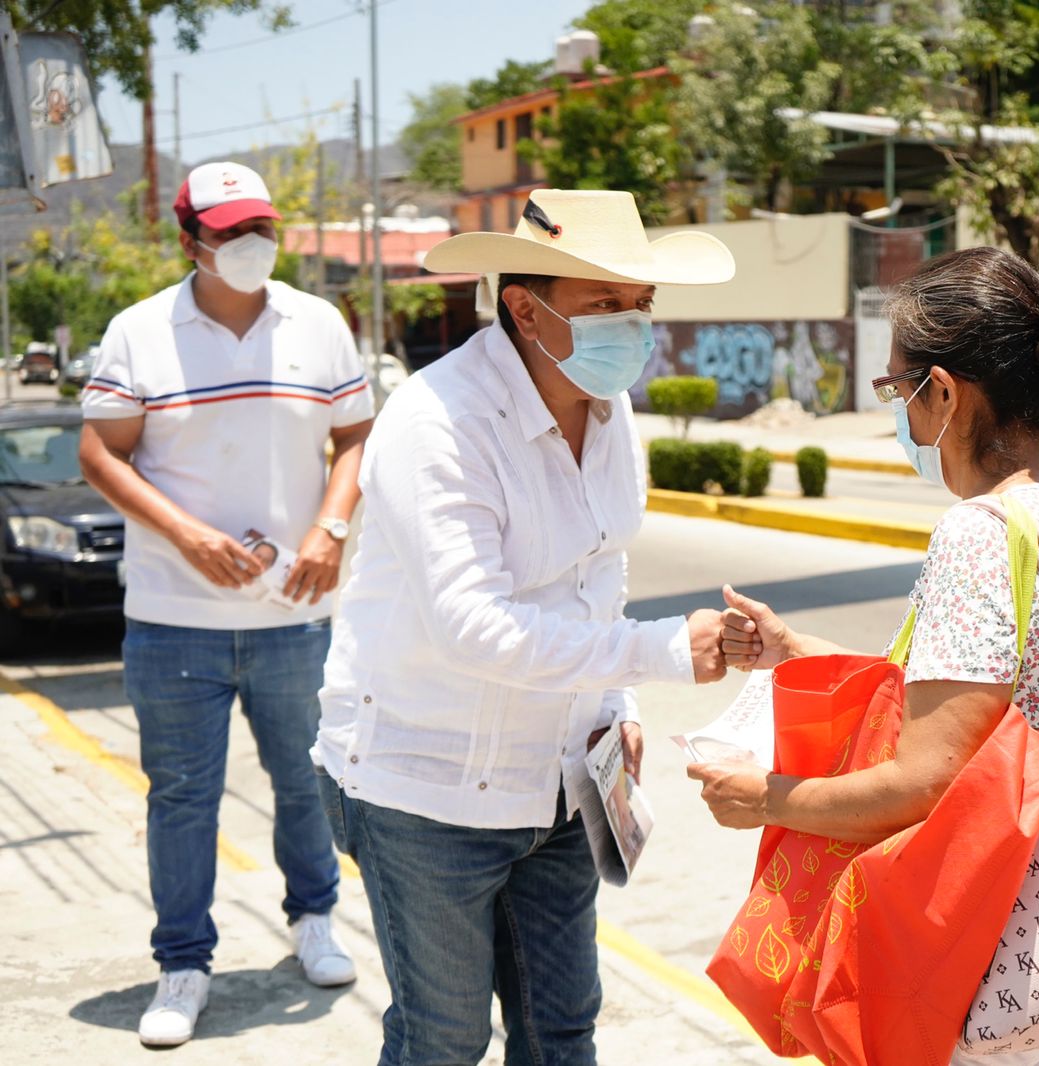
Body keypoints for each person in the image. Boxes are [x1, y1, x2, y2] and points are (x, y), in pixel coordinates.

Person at [689, 247, 1039, 1066]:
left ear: (943, 392)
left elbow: (926, 781)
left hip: (972, 939)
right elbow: (979, 698)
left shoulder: (980, 533)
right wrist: (797, 652)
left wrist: (766, 798)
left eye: (898, 389)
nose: (900, 413)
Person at [313, 188, 735, 1066]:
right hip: (428, 789)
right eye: (605, 304)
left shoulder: (612, 413)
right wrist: (657, 653)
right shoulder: (440, 422)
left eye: (641, 303)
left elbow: (601, 566)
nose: (633, 325)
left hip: (560, 780)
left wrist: (614, 698)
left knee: (561, 1027)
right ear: (522, 306)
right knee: (443, 1038)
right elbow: (474, 627)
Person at [78, 161, 374, 1048]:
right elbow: (101, 452)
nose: (251, 246)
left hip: (293, 614)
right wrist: (188, 536)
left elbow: (355, 434)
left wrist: (330, 527)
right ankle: (183, 965)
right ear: (190, 243)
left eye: (261, 229)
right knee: (183, 798)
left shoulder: (319, 324)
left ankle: (313, 922)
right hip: (175, 622)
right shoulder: (138, 333)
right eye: (230, 233)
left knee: (305, 784)